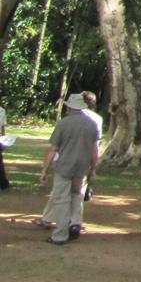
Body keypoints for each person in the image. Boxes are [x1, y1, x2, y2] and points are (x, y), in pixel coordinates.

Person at [38, 94, 100, 245]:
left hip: (65, 166)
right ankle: (75, 224)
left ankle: (60, 235)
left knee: (61, 200)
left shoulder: (64, 123)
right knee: (76, 196)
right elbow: (94, 151)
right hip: (82, 167)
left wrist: (45, 169)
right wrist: (92, 169)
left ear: (70, 107)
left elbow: (53, 149)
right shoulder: (92, 124)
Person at [0, 100, 10, 190]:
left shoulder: (2, 111)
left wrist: (3, 140)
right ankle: (3, 183)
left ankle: (3, 182)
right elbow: (2, 128)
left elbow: (2, 128)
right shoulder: (2, 110)